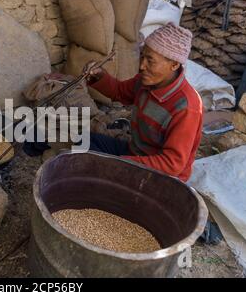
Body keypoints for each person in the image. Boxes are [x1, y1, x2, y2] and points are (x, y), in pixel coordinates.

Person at [86, 23, 203, 182]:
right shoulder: (145, 82)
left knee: (103, 176)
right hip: (136, 154)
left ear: (174, 64)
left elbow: (171, 164)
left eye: (150, 61)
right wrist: (99, 76)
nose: (142, 66)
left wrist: (122, 163)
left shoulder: (186, 107)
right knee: (85, 142)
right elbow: (119, 92)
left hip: (161, 176)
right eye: (142, 56)